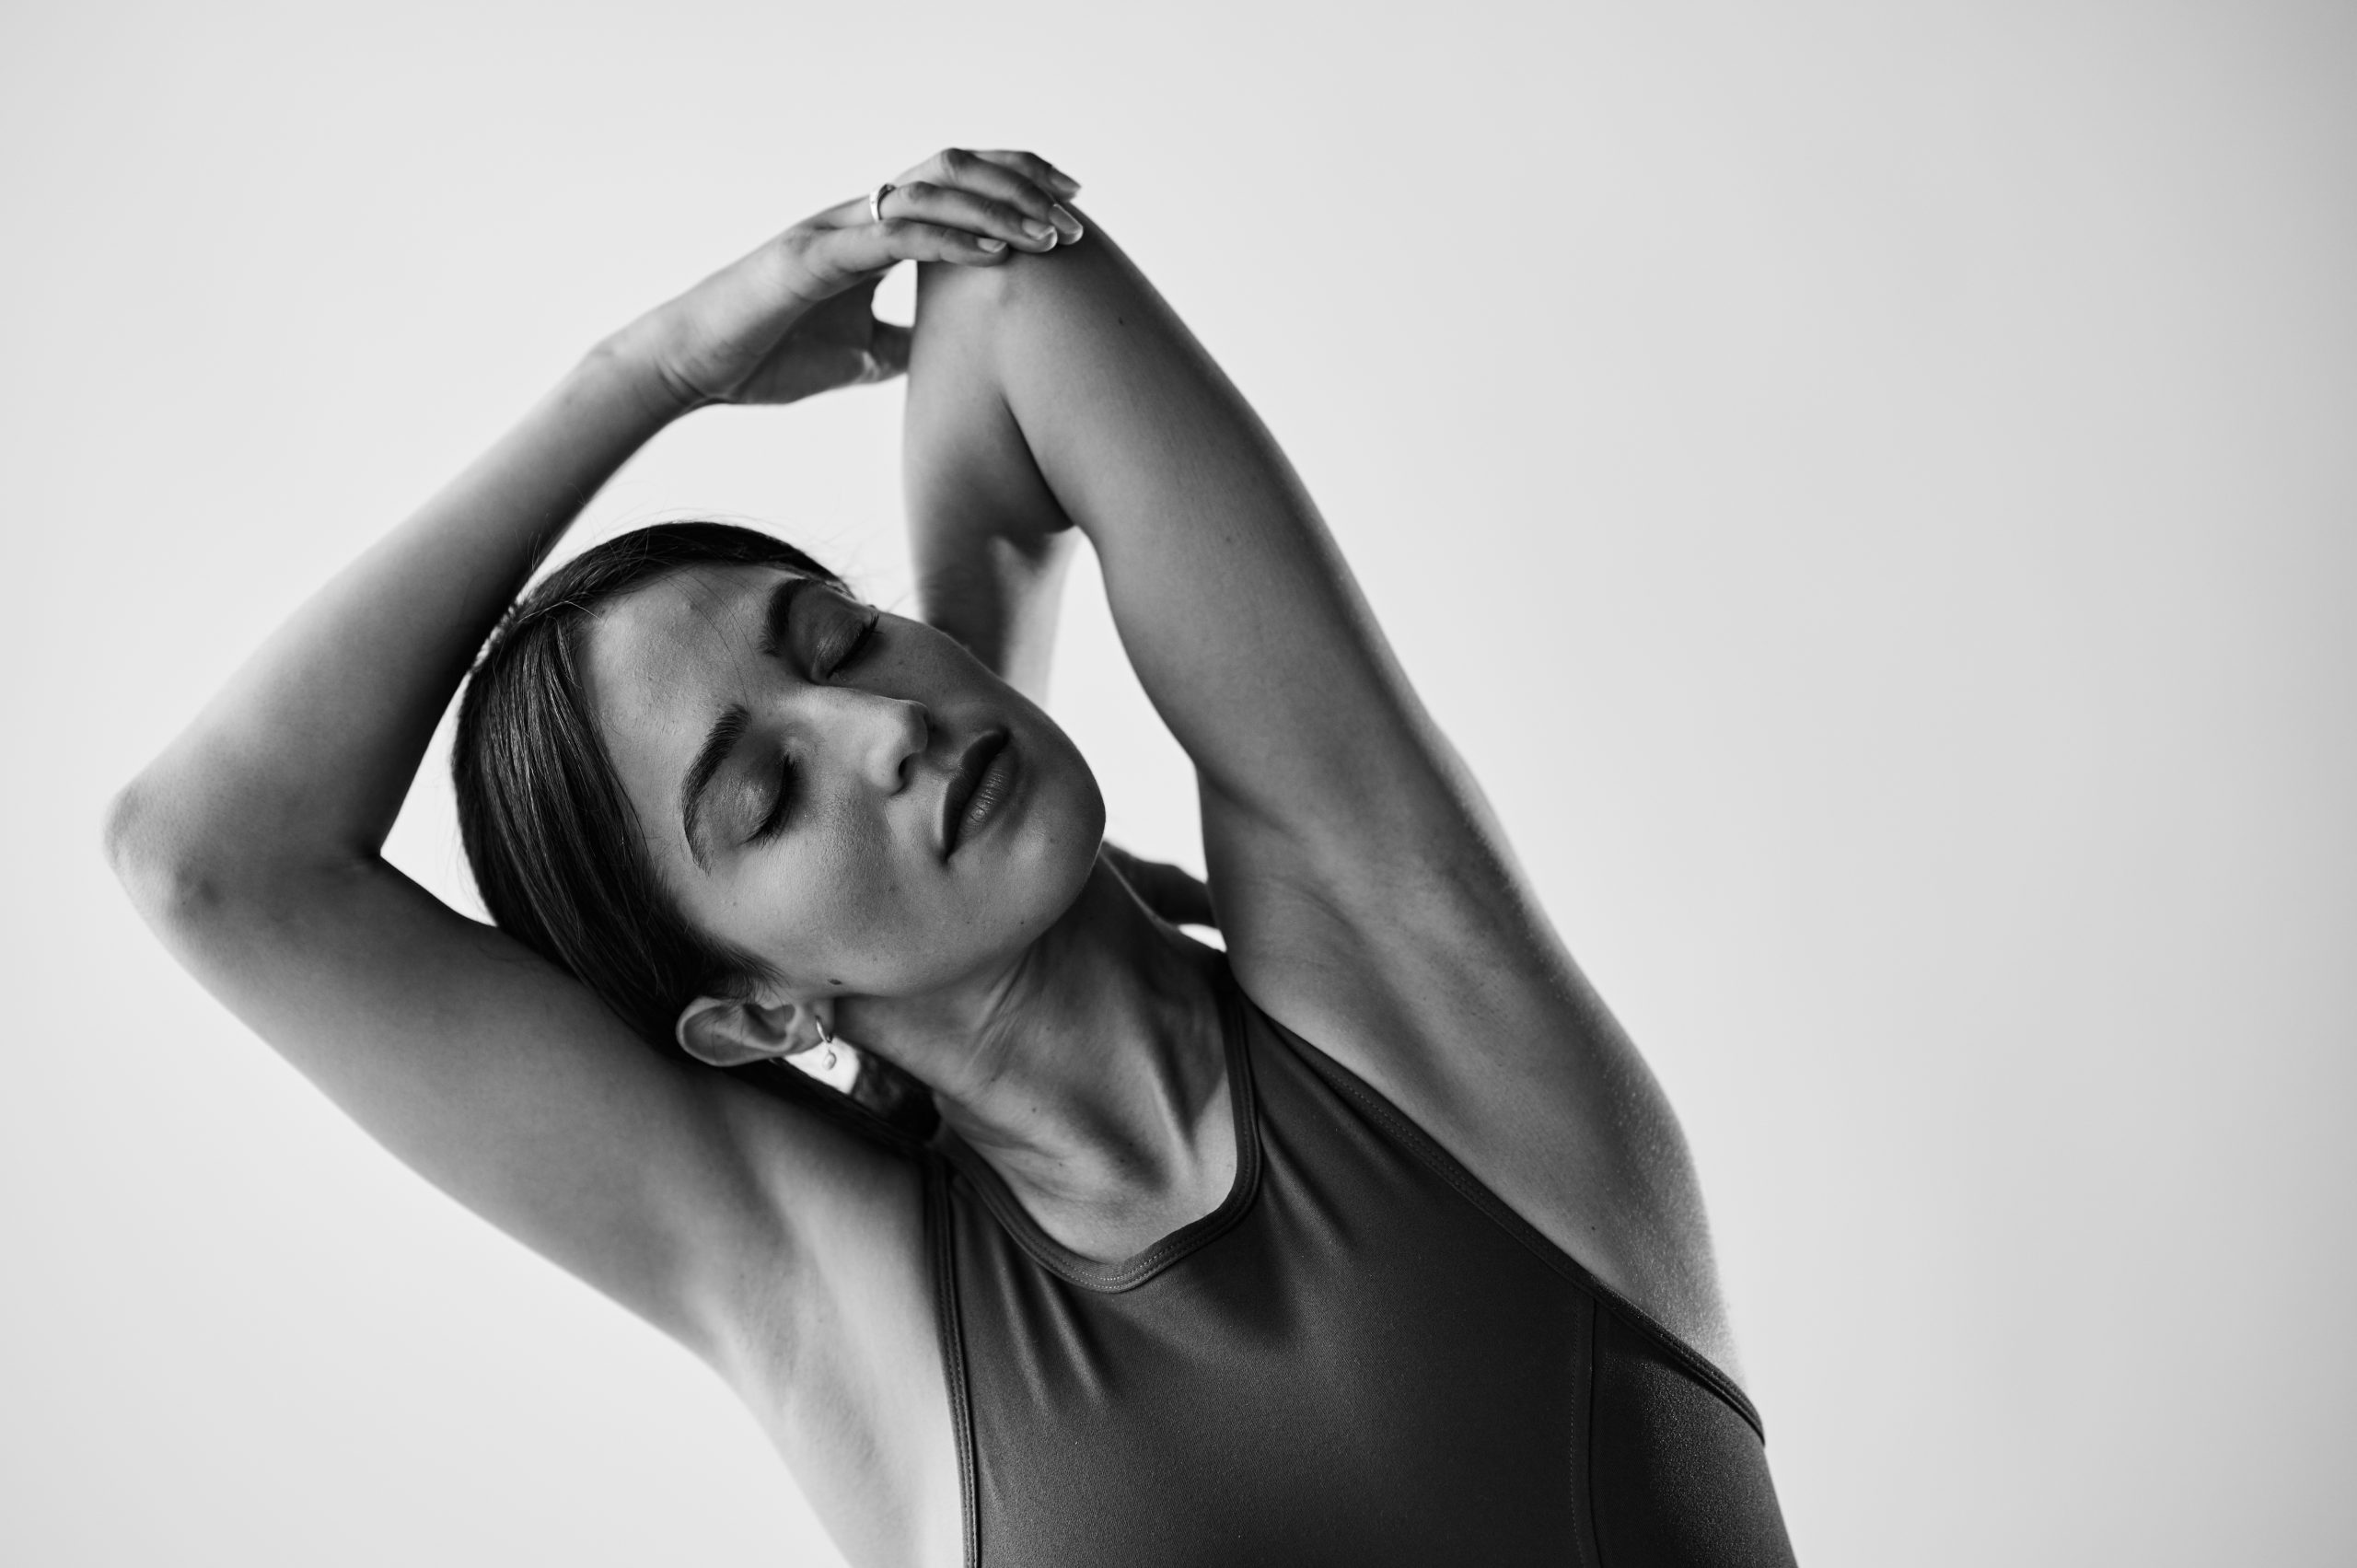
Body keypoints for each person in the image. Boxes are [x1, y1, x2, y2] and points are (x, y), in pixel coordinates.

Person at [106, 148, 1797, 1567]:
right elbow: (207, 861)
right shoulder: (830, 1295)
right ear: (755, 1015)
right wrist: (644, 373)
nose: (882, 727)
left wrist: (994, 798)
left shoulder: (1406, 974)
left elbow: (1008, 288)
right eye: (765, 800)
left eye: (840, 644)